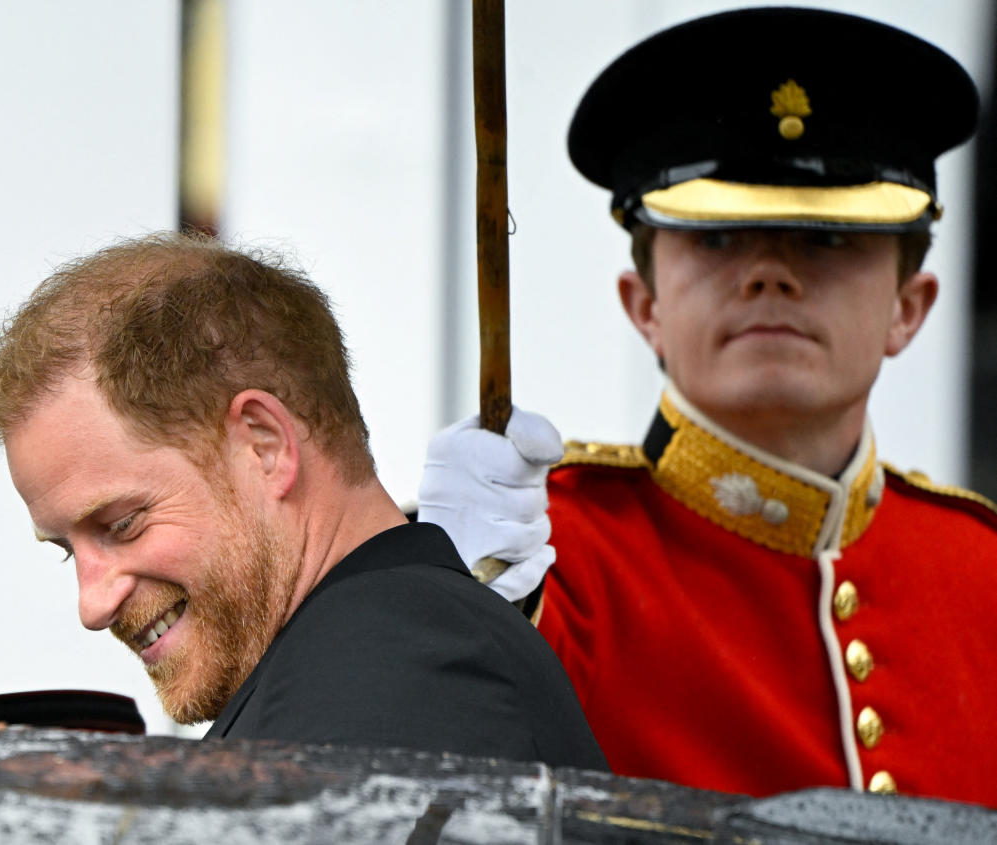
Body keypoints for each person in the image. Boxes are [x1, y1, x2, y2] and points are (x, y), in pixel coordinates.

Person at [418, 6, 997, 804]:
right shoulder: (543, 560)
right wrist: (435, 593)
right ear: (642, 303)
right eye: (718, 239)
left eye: (825, 240)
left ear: (909, 305)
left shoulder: (979, 568)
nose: (768, 274)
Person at [0, 232, 606, 770]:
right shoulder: (360, 659)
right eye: (67, 553)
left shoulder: (394, 668)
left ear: (264, 445)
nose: (92, 606)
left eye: (122, 524)